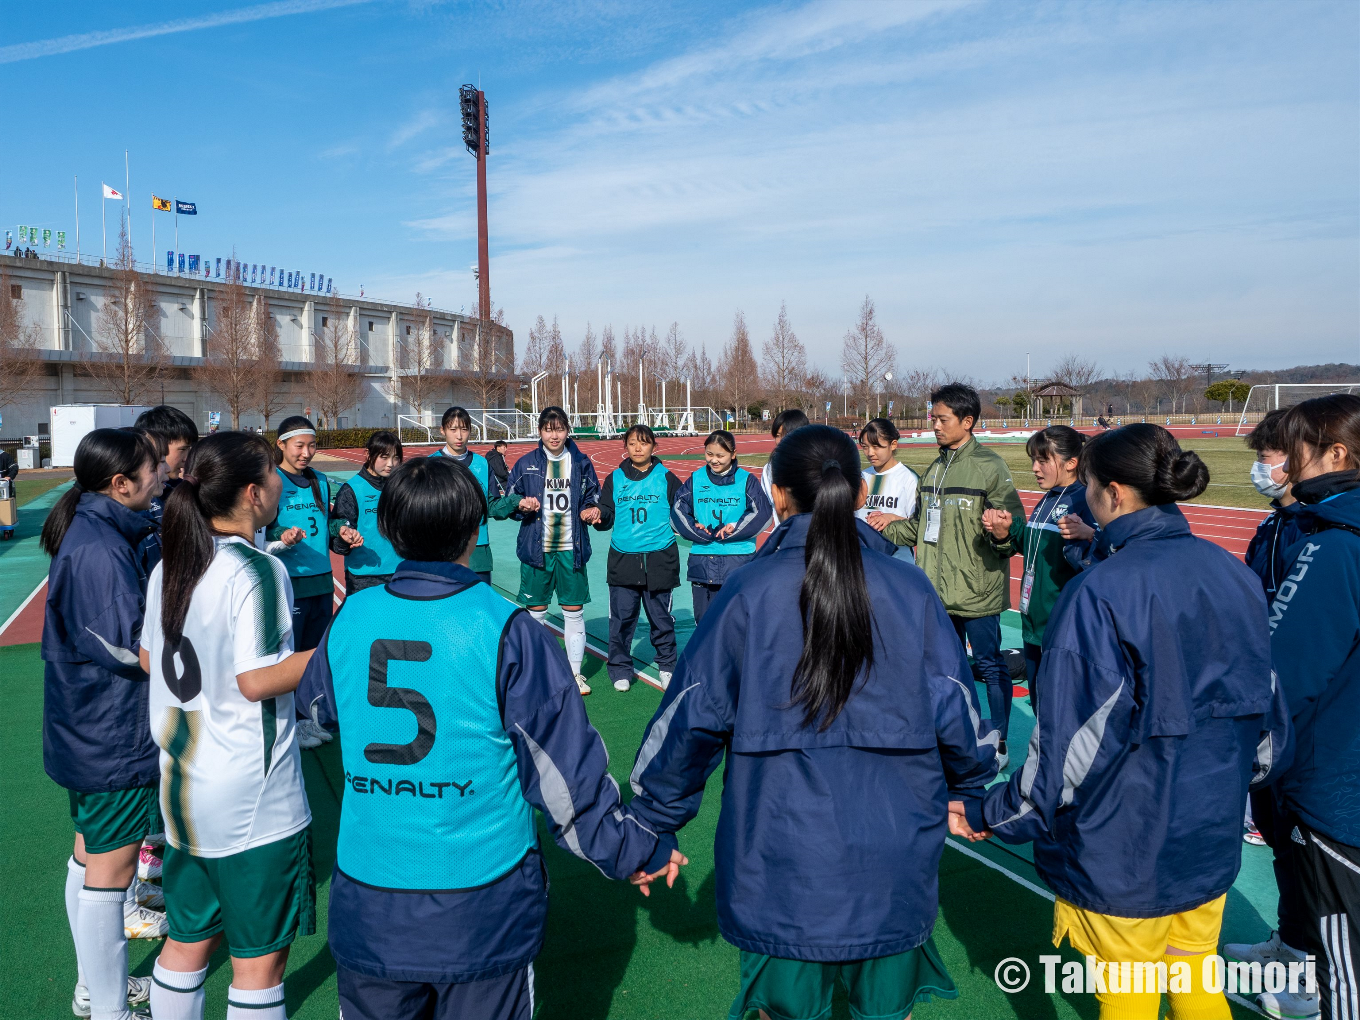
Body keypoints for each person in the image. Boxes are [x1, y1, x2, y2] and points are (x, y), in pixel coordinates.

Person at [628, 425, 998, 1020]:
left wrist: (652, 822)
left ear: (777, 494)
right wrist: (971, 788)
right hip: (893, 848)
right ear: (860, 493)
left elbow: (692, 714)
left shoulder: (749, 588)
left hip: (779, 851)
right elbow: (957, 703)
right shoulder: (909, 586)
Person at [295, 454, 681, 1020]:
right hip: (479, 901)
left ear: (387, 528)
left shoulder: (350, 616)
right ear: (476, 526)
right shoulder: (507, 628)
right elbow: (565, 777)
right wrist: (632, 849)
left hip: (368, 898)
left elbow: (316, 708)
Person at [958, 423, 1289, 1020]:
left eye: (1088, 484)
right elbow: (1268, 719)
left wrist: (992, 812)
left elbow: (1070, 746)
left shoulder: (1100, 591)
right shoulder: (1234, 573)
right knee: (1195, 978)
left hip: (1126, 841)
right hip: (1207, 831)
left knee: (1128, 994)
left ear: (1113, 491)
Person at [140, 431, 317, 1020]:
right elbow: (257, 679)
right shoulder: (258, 570)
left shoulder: (170, 564)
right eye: (271, 471)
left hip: (181, 785)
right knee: (258, 965)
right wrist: (334, 650)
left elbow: (149, 659)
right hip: (251, 795)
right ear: (251, 492)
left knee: (186, 943)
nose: (279, 481)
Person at [1229, 394, 1360, 1020]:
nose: (1282, 464)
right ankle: (1294, 954)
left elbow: (1286, 673)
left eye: (1293, 449)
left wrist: (1238, 750)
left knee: (1343, 955)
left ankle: (1309, 982)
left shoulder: (1334, 543)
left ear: (1335, 453)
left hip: (1331, 770)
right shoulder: (1312, 530)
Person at [40, 429, 169, 1020]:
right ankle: (107, 1007)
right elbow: (125, 647)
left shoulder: (103, 530)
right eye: (153, 467)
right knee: (109, 878)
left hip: (92, 727)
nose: (161, 474)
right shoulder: (99, 547)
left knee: (90, 858)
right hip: (109, 733)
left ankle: (94, 989)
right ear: (120, 484)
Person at [883, 383, 1025, 766]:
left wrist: (1001, 533)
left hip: (978, 592)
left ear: (967, 421)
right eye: (933, 418)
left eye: (942, 419)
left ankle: (999, 739)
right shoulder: (933, 469)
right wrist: (878, 527)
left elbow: (1014, 531)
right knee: (947, 669)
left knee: (990, 666)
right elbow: (918, 528)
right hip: (937, 592)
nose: (935, 425)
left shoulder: (990, 466)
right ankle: (959, 736)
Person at [979, 425, 1099, 712]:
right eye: (1034, 459)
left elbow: (1104, 560)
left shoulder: (1086, 500)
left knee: (1060, 709)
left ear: (1071, 463)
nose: (1034, 467)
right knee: (1039, 706)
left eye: (1043, 460)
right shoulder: (1049, 497)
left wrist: (1090, 536)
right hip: (1033, 623)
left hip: (1062, 628)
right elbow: (1035, 546)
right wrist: (1007, 531)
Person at [500, 406, 601, 694]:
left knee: (574, 611)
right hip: (537, 550)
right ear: (540, 431)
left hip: (571, 549)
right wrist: (520, 505)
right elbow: (509, 501)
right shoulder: (525, 463)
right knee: (536, 614)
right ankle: (537, 673)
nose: (554, 435)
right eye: (548, 429)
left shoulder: (580, 462)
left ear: (567, 430)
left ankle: (575, 674)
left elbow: (593, 495)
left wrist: (591, 510)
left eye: (559, 429)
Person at [593, 424, 682, 693]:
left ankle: (667, 665)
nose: (638, 448)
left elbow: (682, 512)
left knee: (661, 620)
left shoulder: (667, 478)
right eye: (632, 443)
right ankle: (620, 668)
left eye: (643, 443)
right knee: (621, 620)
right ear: (625, 447)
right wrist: (598, 516)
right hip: (623, 560)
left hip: (660, 559)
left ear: (654, 446)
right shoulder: (615, 478)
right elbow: (606, 513)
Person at [670, 430, 772, 625]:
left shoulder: (746, 480)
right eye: (709, 454)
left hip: (738, 561)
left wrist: (734, 528)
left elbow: (762, 514)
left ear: (733, 454)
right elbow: (677, 510)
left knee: (736, 622)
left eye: (720, 455)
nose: (714, 460)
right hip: (702, 561)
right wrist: (696, 530)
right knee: (704, 623)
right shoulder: (696, 478)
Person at [265, 416, 335, 652]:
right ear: (281, 444)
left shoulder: (320, 480)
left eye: (312, 445)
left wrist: (341, 529)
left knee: (317, 654)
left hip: (323, 582)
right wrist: (282, 534)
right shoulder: (272, 481)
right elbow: (263, 530)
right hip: (290, 582)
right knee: (290, 655)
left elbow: (328, 523)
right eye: (300, 446)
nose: (307, 453)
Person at [429, 406, 506, 583]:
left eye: (464, 429)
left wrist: (516, 503)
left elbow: (493, 505)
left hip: (478, 550)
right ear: (442, 430)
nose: (459, 436)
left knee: (479, 599)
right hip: (440, 550)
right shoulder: (430, 464)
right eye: (453, 429)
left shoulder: (482, 464)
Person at [1243, 408, 1306, 603]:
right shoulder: (1270, 524)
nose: (1257, 466)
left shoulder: (1311, 527)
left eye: (1263, 457)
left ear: (1294, 457)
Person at [330, 430, 404, 595]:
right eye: (384, 457)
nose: (390, 464)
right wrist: (345, 539)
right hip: (363, 577)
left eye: (396, 458)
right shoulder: (352, 490)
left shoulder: (402, 487)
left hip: (401, 572)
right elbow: (336, 537)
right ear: (368, 455)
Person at [856, 417, 920, 563]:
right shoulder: (861, 476)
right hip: (864, 558)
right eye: (865, 447)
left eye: (876, 446)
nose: (870, 453)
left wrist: (892, 517)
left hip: (897, 560)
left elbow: (919, 524)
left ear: (893, 444)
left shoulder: (909, 478)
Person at [133, 405, 199, 492]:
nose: (187, 459)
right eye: (182, 449)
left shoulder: (181, 490)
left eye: (189, 450)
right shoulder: (141, 496)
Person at [760, 408, 809, 507]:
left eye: (786, 435)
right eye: (778, 435)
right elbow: (767, 506)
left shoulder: (816, 466)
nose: (781, 440)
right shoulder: (769, 469)